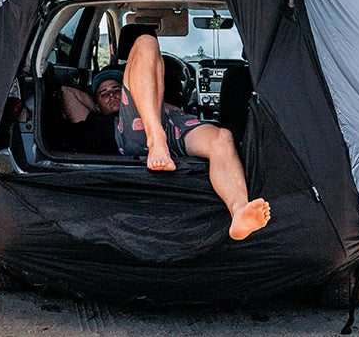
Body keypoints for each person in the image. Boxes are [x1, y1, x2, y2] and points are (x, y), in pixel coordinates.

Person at [62, 31, 270, 241]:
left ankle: (239, 210)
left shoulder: (155, 95)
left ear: (129, 88)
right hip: (140, 131)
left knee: (222, 138)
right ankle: (156, 139)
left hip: (175, 122)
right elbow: (66, 91)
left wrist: (157, 102)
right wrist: (97, 108)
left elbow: (147, 86)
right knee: (145, 41)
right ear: (97, 102)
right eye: (104, 93)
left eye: (117, 89)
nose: (112, 95)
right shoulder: (98, 123)